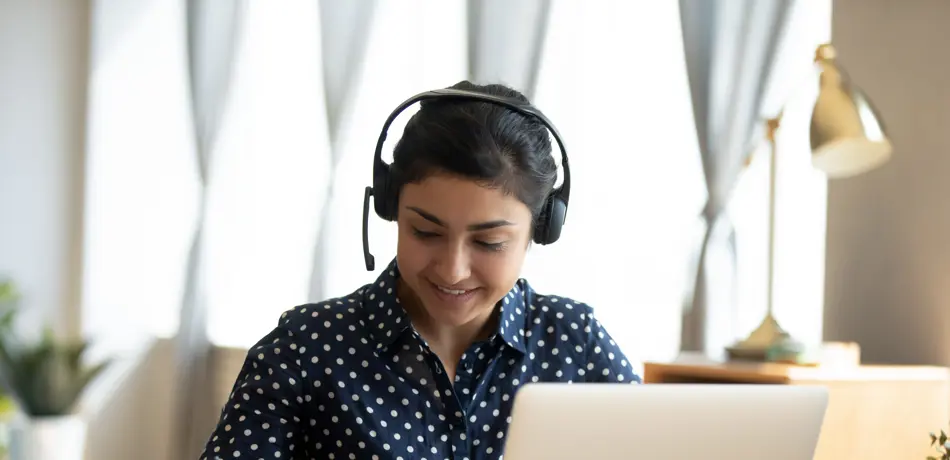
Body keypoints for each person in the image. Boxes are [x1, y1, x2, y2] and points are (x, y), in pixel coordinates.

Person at [200, 81, 641, 460]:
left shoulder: (575, 345)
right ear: (391, 209)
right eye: (425, 232)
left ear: (540, 230)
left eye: (489, 242)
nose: (453, 270)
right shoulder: (305, 349)